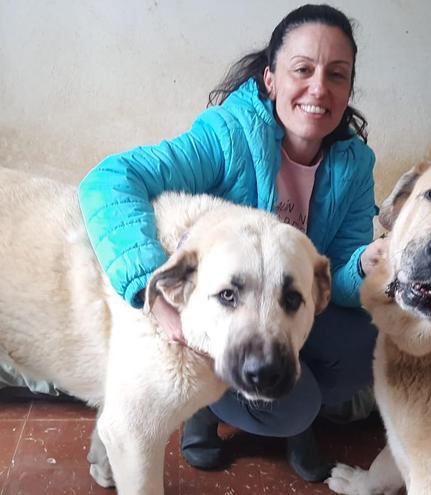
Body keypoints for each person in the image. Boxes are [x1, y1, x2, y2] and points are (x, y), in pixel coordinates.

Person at [78, 4, 384, 483]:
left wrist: (364, 264)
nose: (319, 88)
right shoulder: (227, 136)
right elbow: (110, 179)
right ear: (270, 79)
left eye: (337, 75)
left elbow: (335, 285)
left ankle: (290, 410)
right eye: (302, 70)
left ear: (348, 89)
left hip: (281, 311)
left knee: (371, 342)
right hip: (217, 320)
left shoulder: (354, 165)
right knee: (292, 406)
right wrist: (147, 288)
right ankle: (208, 408)